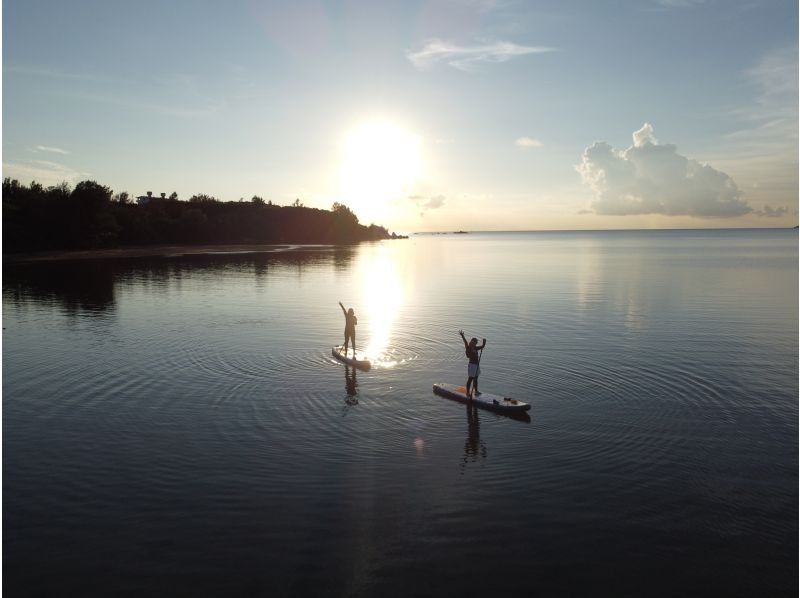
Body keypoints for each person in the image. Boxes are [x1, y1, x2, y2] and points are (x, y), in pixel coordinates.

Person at [459, 330, 486, 398]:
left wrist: (484, 342)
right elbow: (465, 342)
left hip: (476, 365)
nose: (475, 343)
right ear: (471, 342)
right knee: (470, 379)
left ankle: (476, 391)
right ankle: (467, 392)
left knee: (476, 379)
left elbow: (482, 346)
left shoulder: (476, 348)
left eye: (475, 342)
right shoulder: (468, 347)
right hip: (472, 366)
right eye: (474, 342)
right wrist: (462, 336)